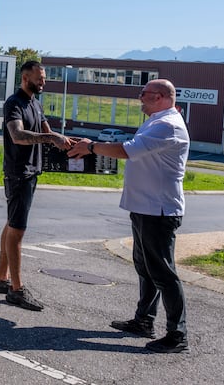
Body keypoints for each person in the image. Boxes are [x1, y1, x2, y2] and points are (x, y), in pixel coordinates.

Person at [68, 79, 191, 353]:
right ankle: (144, 320)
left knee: (162, 272)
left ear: (159, 97)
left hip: (158, 210)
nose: (140, 99)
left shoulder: (167, 124)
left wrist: (91, 147)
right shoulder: (157, 120)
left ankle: (177, 334)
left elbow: (126, 150)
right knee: (146, 268)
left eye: (143, 94)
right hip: (145, 207)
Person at [0, 60, 73, 311]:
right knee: (17, 230)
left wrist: (72, 143)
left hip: (32, 172)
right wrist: (51, 137)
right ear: (26, 78)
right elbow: (17, 135)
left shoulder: (35, 103)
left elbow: (45, 128)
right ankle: (16, 290)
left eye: (44, 78)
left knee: (11, 222)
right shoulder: (14, 103)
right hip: (19, 174)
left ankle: (0, 279)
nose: (43, 82)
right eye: (40, 78)